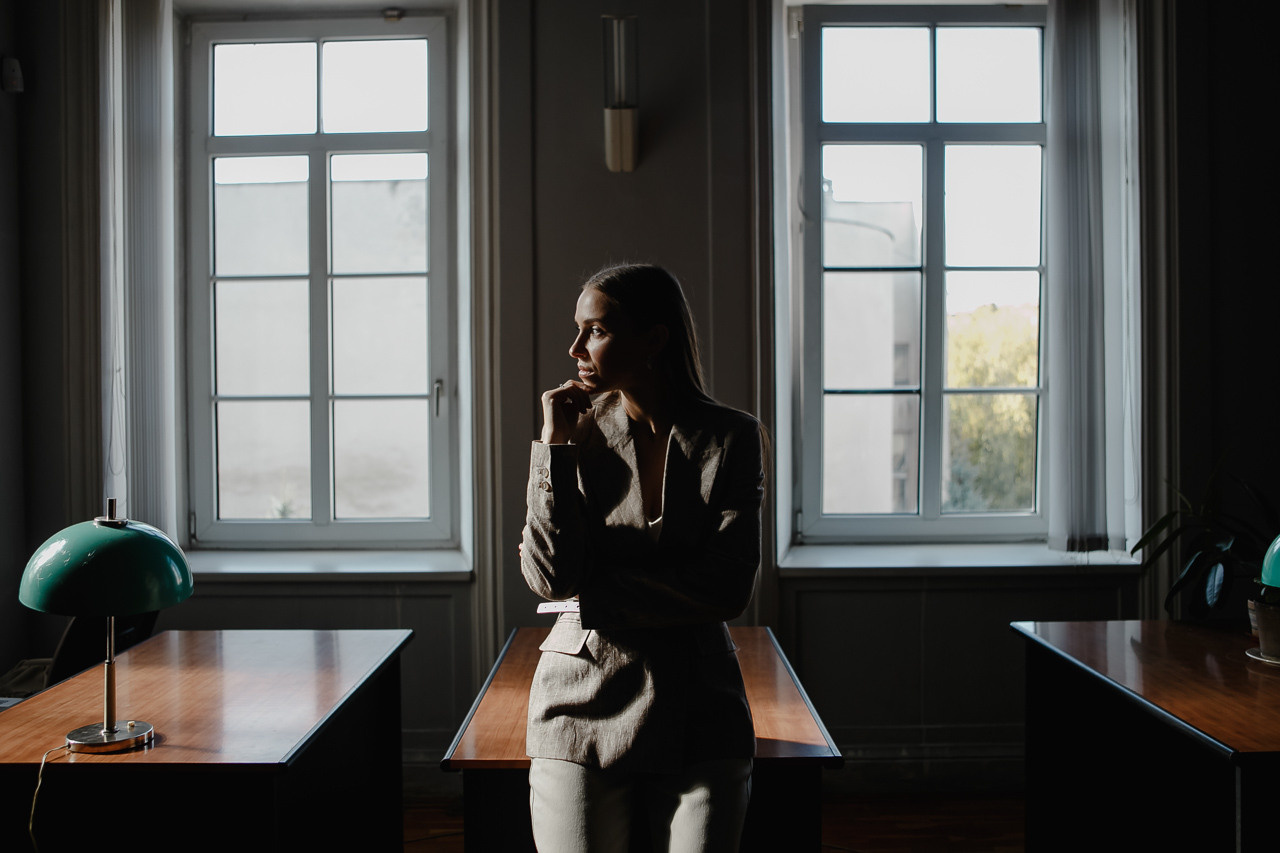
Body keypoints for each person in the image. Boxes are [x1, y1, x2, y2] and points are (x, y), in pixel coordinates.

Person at [520, 263, 765, 852]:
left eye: (596, 330)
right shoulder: (577, 434)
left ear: (655, 338)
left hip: (700, 702)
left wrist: (597, 596)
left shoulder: (731, 437)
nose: (575, 347)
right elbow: (551, 578)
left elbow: (726, 589)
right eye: (578, 330)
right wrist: (552, 449)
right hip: (578, 700)